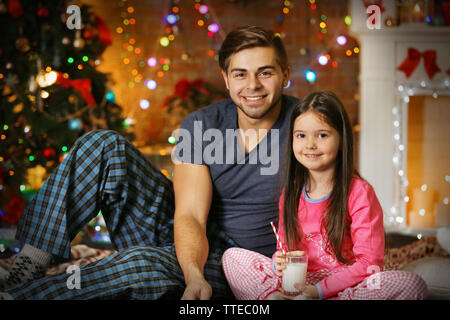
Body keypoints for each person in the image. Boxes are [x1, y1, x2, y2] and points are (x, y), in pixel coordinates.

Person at [0, 25, 298, 300]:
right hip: (188, 237)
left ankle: (20, 297)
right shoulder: (203, 123)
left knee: (143, 266)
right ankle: (28, 265)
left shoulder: (308, 125)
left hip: (243, 266)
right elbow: (190, 215)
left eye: (265, 73)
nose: (253, 85)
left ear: (285, 74)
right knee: (102, 145)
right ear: (226, 78)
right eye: (240, 74)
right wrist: (192, 275)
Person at [221, 91, 427, 300]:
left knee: (411, 284)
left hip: (345, 285)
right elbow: (286, 249)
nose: (310, 145)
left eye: (322, 135)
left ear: (341, 139)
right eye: (301, 135)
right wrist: (278, 262)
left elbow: (369, 263)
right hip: (300, 282)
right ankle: (274, 297)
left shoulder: (359, 192)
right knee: (232, 257)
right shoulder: (291, 192)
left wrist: (320, 291)